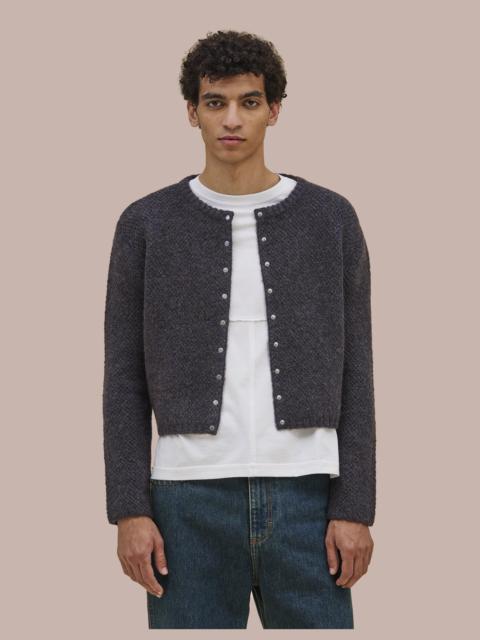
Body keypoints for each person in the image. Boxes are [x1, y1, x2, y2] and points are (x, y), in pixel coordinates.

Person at [103, 29, 376, 629]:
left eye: (249, 102)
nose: (231, 119)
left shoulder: (330, 218)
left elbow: (357, 369)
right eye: (215, 102)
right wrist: (128, 509)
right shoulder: (147, 223)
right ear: (192, 112)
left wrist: (356, 506)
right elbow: (123, 377)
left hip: (308, 497)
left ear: (274, 110)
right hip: (185, 502)